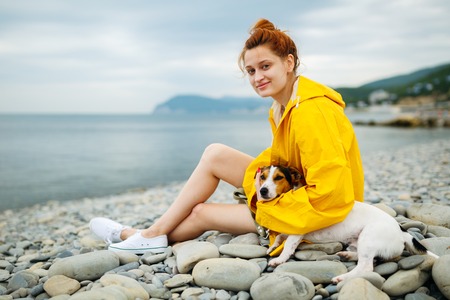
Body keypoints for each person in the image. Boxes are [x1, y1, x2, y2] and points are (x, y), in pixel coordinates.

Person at [89, 19, 364, 254]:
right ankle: (150, 233)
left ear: (288, 62)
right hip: (297, 189)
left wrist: (266, 202)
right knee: (215, 153)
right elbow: (289, 158)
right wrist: (260, 178)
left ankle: (137, 236)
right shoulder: (282, 106)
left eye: (266, 66)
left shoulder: (312, 109)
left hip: (320, 213)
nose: (258, 77)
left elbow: (332, 193)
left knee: (201, 213)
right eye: (251, 71)